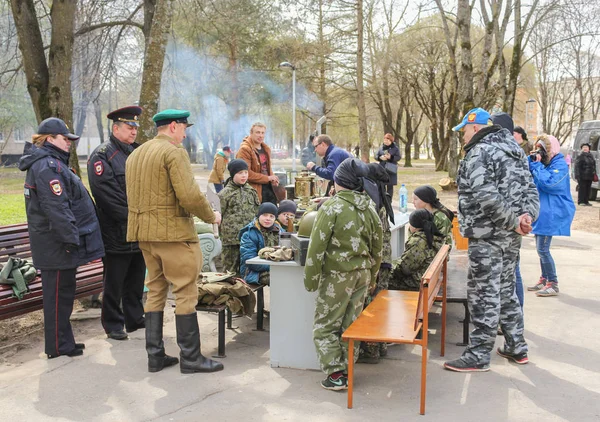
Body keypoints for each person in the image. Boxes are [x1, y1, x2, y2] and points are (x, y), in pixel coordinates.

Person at [126, 109, 223, 374]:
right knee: (185, 292)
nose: (184, 133)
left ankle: (155, 356)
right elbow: (190, 195)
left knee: (155, 290)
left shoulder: (136, 154)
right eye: (183, 128)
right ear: (172, 127)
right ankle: (191, 359)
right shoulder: (173, 152)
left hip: (144, 235)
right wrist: (210, 215)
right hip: (173, 235)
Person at [443, 107, 539, 373]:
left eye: (463, 130)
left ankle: (478, 354)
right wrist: (526, 219)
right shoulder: (515, 150)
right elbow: (531, 188)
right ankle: (516, 346)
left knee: (483, 293)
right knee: (506, 289)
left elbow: (487, 197)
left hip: (487, 236)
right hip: (511, 235)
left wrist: (513, 221)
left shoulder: (479, 152)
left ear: (475, 127)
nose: (462, 136)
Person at [19, 117, 105, 359]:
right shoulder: (47, 166)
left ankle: (64, 343)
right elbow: (56, 208)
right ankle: (57, 346)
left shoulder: (51, 163)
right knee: (58, 298)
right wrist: (71, 240)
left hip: (58, 244)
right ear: (49, 139)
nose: (69, 143)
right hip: (56, 245)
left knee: (64, 295)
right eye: (65, 139)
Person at [304, 158, 383, 390]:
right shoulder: (370, 206)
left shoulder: (332, 207)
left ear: (339, 182)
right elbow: (377, 247)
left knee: (325, 325)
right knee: (351, 324)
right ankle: (348, 368)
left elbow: (316, 247)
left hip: (337, 276)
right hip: (363, 275)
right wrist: (373, 276)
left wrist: (311, 279)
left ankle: (336, 375)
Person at [87, 106, 145, 341]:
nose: (133, 132)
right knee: (114, 280)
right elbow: (106, 195)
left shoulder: (137, 152)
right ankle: (113, 323)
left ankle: (135, 318)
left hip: (138, 230)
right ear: (116, 128)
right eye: (129, 127)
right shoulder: (102, 155)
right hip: (115, 230)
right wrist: (133, 217)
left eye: (135, 128)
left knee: (136, 278)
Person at [527, 134, 576, 297]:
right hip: (543, 213)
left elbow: (550, 184)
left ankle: (553, 283)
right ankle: (544, 278)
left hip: (554, 213)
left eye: (542, 150)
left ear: (550, 150)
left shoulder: (560, 165)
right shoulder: (544, 164)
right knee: (540, 249)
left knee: (543, 249)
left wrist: (537, 166)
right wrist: (531, 161)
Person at [357, 162, 394, 364]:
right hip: (385, 258)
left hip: (376, 261)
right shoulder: (382, 194)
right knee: (379, 305)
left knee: (370, 307)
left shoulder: (370, 199)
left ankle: (371, 351)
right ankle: (381, 346)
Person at [218, 159, 259, 276]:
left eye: (246, 172)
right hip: (231, 240)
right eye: (240, 173)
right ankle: (229, 294)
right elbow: (217, 216)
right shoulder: (225, 193)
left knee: (248, 271)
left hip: (248, 239)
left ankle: (246, 293)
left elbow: (257, 213)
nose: (244, 176)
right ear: (233, 174)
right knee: (230, 272)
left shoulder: (251, 191)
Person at [389, 209, 445, 291]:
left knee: (382, 279)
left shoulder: (418, 242)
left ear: (414, 227)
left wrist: (388, 268)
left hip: (416, 283)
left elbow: (404, 269)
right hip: (427, 280)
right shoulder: (434, 236)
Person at [239, 203, 282, 285]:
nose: (268, 219)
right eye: (265, 215)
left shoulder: (279, 230)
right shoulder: (248, 234)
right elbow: (249, 261)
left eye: (271, 216)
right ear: (258, 216)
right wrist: (275, 266)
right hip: (252, 272)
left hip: (274, 268)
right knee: (279, 280)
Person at [236, 122, 279, 204]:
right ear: (251, 133)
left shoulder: (266, 149)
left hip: (268, 189)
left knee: (273, 214)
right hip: (253, 191)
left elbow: (266, 169)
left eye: (263, 133)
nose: (260, 135)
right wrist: (268, 178)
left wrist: (273, 179)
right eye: (257, 132)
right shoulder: (245, 150)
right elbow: (246, 174)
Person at [375, 133, 401, 197]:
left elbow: (398, 157)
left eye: (387, 140)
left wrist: (391, 157)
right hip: (382, 168)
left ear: (391, 141)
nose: (385, 142)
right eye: (385, 140)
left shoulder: (395, 148)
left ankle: (389, 201)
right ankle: (383, 200)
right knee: (381, 185)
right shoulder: (381, 148)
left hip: (390, 169)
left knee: (390, 186)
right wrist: (379, 158)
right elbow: (376, 155)